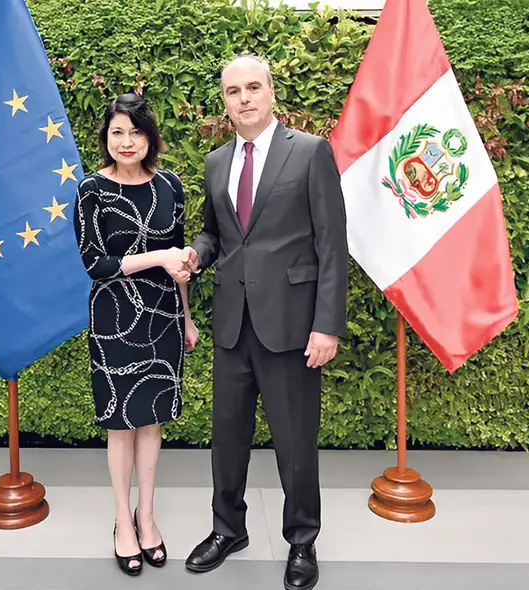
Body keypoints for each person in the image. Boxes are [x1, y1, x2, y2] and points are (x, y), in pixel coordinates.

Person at [182, 55, 348, 590]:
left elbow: (331, 246)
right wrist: (196, 254)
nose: (244, 98)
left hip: (293, 326)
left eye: (253, 87)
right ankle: (228, 529)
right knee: (226, 437)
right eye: (233, 91)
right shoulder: (215, 163)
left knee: (295, 442)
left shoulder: (311, 153)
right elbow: (217, 235)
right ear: (225, 102)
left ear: (271, 93)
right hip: (233, 322)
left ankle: (302, 540)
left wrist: (327, 325)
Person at [72, 93, 200, 577]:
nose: (127, 142)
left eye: (136, 132)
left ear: (150, 136)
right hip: (114, 320)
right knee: (120, 424)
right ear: (106, 139)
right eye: (117, 133)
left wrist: (186, 312)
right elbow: (95, 264)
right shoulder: (91, 191)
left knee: (152, 422)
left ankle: (148, 517)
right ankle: (122, 523)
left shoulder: (171, 186)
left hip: (164, 318)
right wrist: (159, 257)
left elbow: (179, 263)